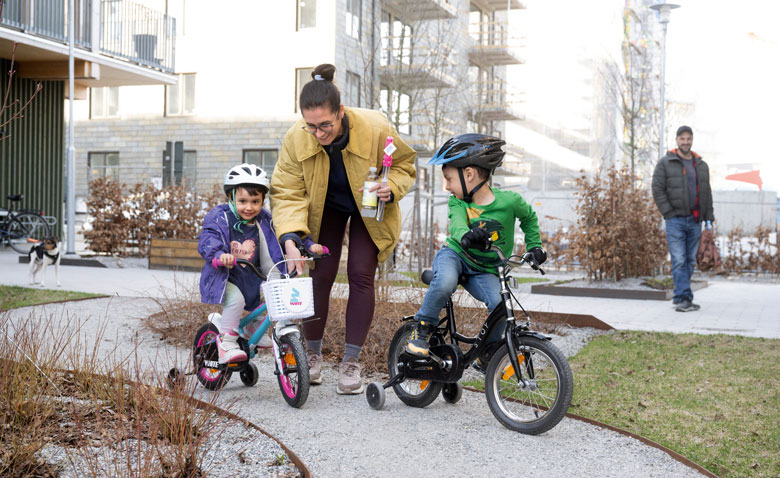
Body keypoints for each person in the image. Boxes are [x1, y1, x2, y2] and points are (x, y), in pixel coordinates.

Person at [270, 63, 416, 395]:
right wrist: (291, 237)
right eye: (311, 127)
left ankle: (352, 361)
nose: (319, 135)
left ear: (341, 112)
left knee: (360, 273)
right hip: (327, 207)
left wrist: (391, 186)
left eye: (325, 125)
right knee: (319, 274)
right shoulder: (297, 137)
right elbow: (287, 190)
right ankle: (312, 353)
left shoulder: (377, 127)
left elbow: (406, 163)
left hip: (368, 207)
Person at [405, 133, 546, 371]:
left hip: (485, 269)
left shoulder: (510, 201)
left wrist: (534, 246)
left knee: (500, 303)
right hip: (456, 256)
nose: (447, 186)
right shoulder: (458, 202)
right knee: (445, 281)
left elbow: (529, 219)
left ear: (469, 175)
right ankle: (423, 328)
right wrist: (467, 235)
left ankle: (487, 352)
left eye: (449, 179)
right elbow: (458, 224)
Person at [198, 163, 320, 363]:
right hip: (225, 276)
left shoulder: (264, 218)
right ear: (231, 198)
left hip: (252, 274)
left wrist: (308, 245)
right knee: (236, 300)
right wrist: (219, 254)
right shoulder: (219, 216)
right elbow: (209, 237)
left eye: (255, 201)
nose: (249, 207)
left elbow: (284, 230)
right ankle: (227, 341)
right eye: (243, 201)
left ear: (263, 200)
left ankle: (252, 325)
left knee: (274, 294)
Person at [652, 125, 714, 312]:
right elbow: (657, 189)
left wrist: (709, 218)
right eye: (682, 139)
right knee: (679, 259)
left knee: (689, 261)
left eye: (688, 139)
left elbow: (706, 192)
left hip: (695, 220)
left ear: (692, 140)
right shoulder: (666, 163)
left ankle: (681, 296)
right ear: (677, 140)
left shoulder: (701, 165)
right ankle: (684, 298)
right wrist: (668, 213)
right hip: (675, 220)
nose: (685, 142)